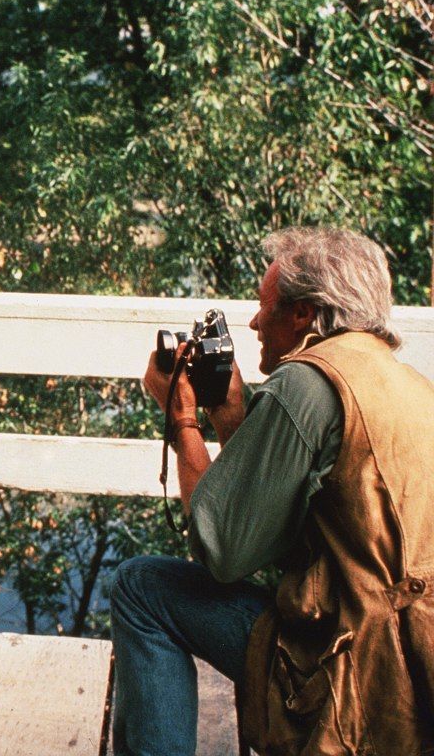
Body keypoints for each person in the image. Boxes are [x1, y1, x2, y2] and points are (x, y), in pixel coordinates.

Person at [111, 226, 434, 755]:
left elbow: (223, 552)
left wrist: (182, 420)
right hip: (409, 679)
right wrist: (231, 417)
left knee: (141, 587)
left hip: (345, 681)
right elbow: (286, 529)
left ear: (303, 313)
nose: (256, 323)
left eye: (265, 308)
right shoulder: (409, 383)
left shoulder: (304, 384)